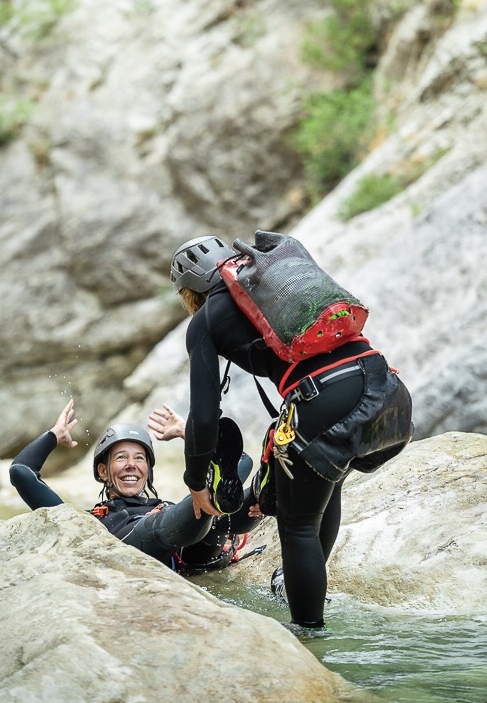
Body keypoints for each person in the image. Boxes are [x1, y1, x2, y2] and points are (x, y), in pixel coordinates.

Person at [158, 234, 413, 635]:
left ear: (190, 292)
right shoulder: (273, 285)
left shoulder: (205, 320)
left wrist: (195, 482)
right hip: (389, 392)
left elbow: (205, 416)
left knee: (297, 526)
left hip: (326, 402)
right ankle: (299, 587)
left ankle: (309, 634)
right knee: (330, 481)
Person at [9, 398, 264, 573]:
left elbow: (241, 462)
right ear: (102, 471)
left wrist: (189, 433)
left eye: (139, 458)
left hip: (197, 551)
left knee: (223, 508)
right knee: (193, 509)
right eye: (121, 458)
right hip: (140, 543)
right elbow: (21, 473)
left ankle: (262, 492)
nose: (132, 465)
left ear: (148, 470)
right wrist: (55, 434)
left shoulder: (164, 505)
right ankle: (212, 496)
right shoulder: (85, 523)